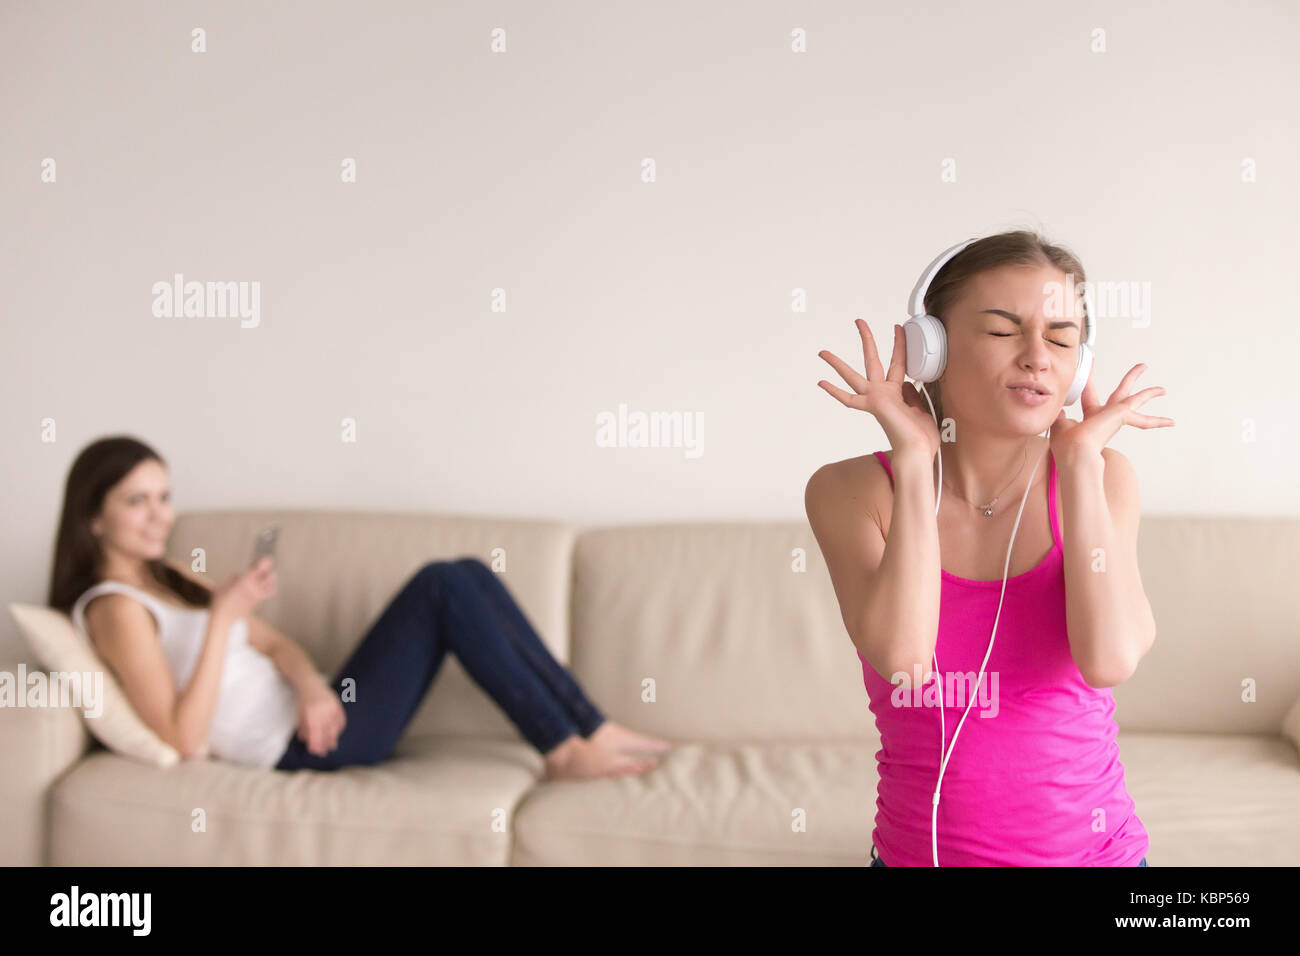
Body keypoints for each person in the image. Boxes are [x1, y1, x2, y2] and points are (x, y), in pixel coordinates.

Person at [805, 231, 1174, 866]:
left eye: (1061, 339)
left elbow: (1109, 660)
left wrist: (1081, 463)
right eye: (1004, 331)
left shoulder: (1104, 477)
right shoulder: (849, 491)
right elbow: (905, 663)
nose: (1038, 357)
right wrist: (915, 463)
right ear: (932, 349)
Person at [50, 436, 670, 779]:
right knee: (442, 586)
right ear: (92, 517)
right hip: (297, 752)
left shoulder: (173, 577)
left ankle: (591, 725)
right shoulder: (114, 610)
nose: (162, 514)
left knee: (466, 574)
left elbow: (278, 646)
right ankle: (562, 748)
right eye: (138, 501)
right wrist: (221, 618)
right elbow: (183, 738)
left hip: (320, 711)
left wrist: (314, 690)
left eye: (165, 496)